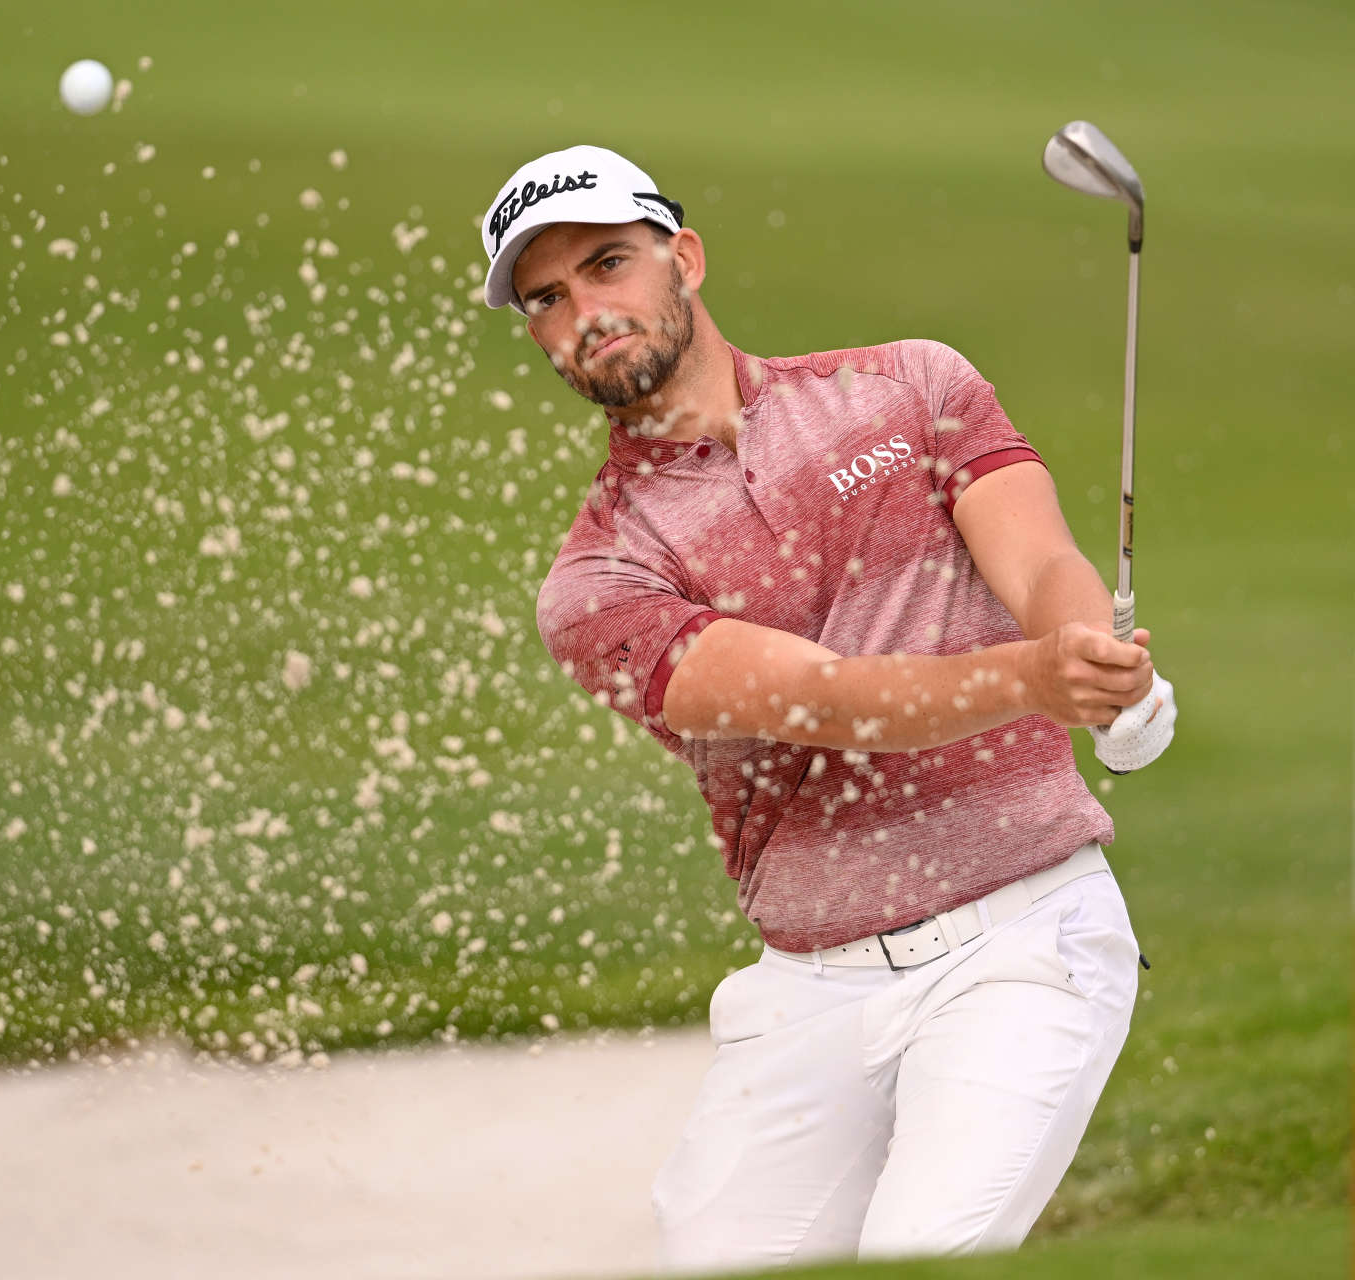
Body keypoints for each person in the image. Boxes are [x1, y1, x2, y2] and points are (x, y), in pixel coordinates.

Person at [477, 144, 1177, 1270]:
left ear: (684, 258)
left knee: (925, 1250)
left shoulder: (909, 386)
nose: (585, 312)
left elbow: (1041, 561)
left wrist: (1094, 661)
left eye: (607, 265)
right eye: (546, 299)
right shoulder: (598, 580)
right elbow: (825, 699)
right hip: (811, 989)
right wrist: (1040, 681)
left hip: (1025, 936)